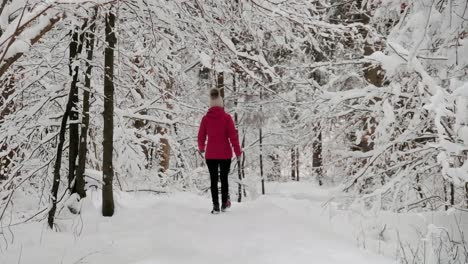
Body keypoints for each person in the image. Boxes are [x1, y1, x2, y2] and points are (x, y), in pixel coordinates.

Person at [198, 88, 242, 214]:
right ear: (221, 103)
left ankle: (215, 206)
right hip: (224, 154)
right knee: (224, 179)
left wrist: (201, 148)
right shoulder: (227, 118)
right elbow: (233, 137)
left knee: (213, 180)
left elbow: (201, 136)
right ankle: (224, 204)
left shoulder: (206, 119)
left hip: (210, 154)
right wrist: (238, 152)